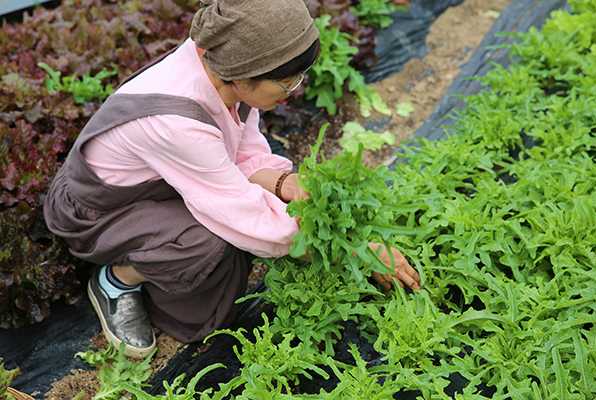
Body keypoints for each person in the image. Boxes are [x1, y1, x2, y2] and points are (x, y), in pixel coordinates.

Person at [43, 0, 421, 359]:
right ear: (245, 74)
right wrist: (354, 253)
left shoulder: (224, 63)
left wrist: (282, 182)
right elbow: (243, 212)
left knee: (243, 227)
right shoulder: (177, 121)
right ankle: (117, 280)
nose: (296, 92)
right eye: (287, 84)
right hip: (97, 213)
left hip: (161, 186)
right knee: (207, 243)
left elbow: (239, 150)